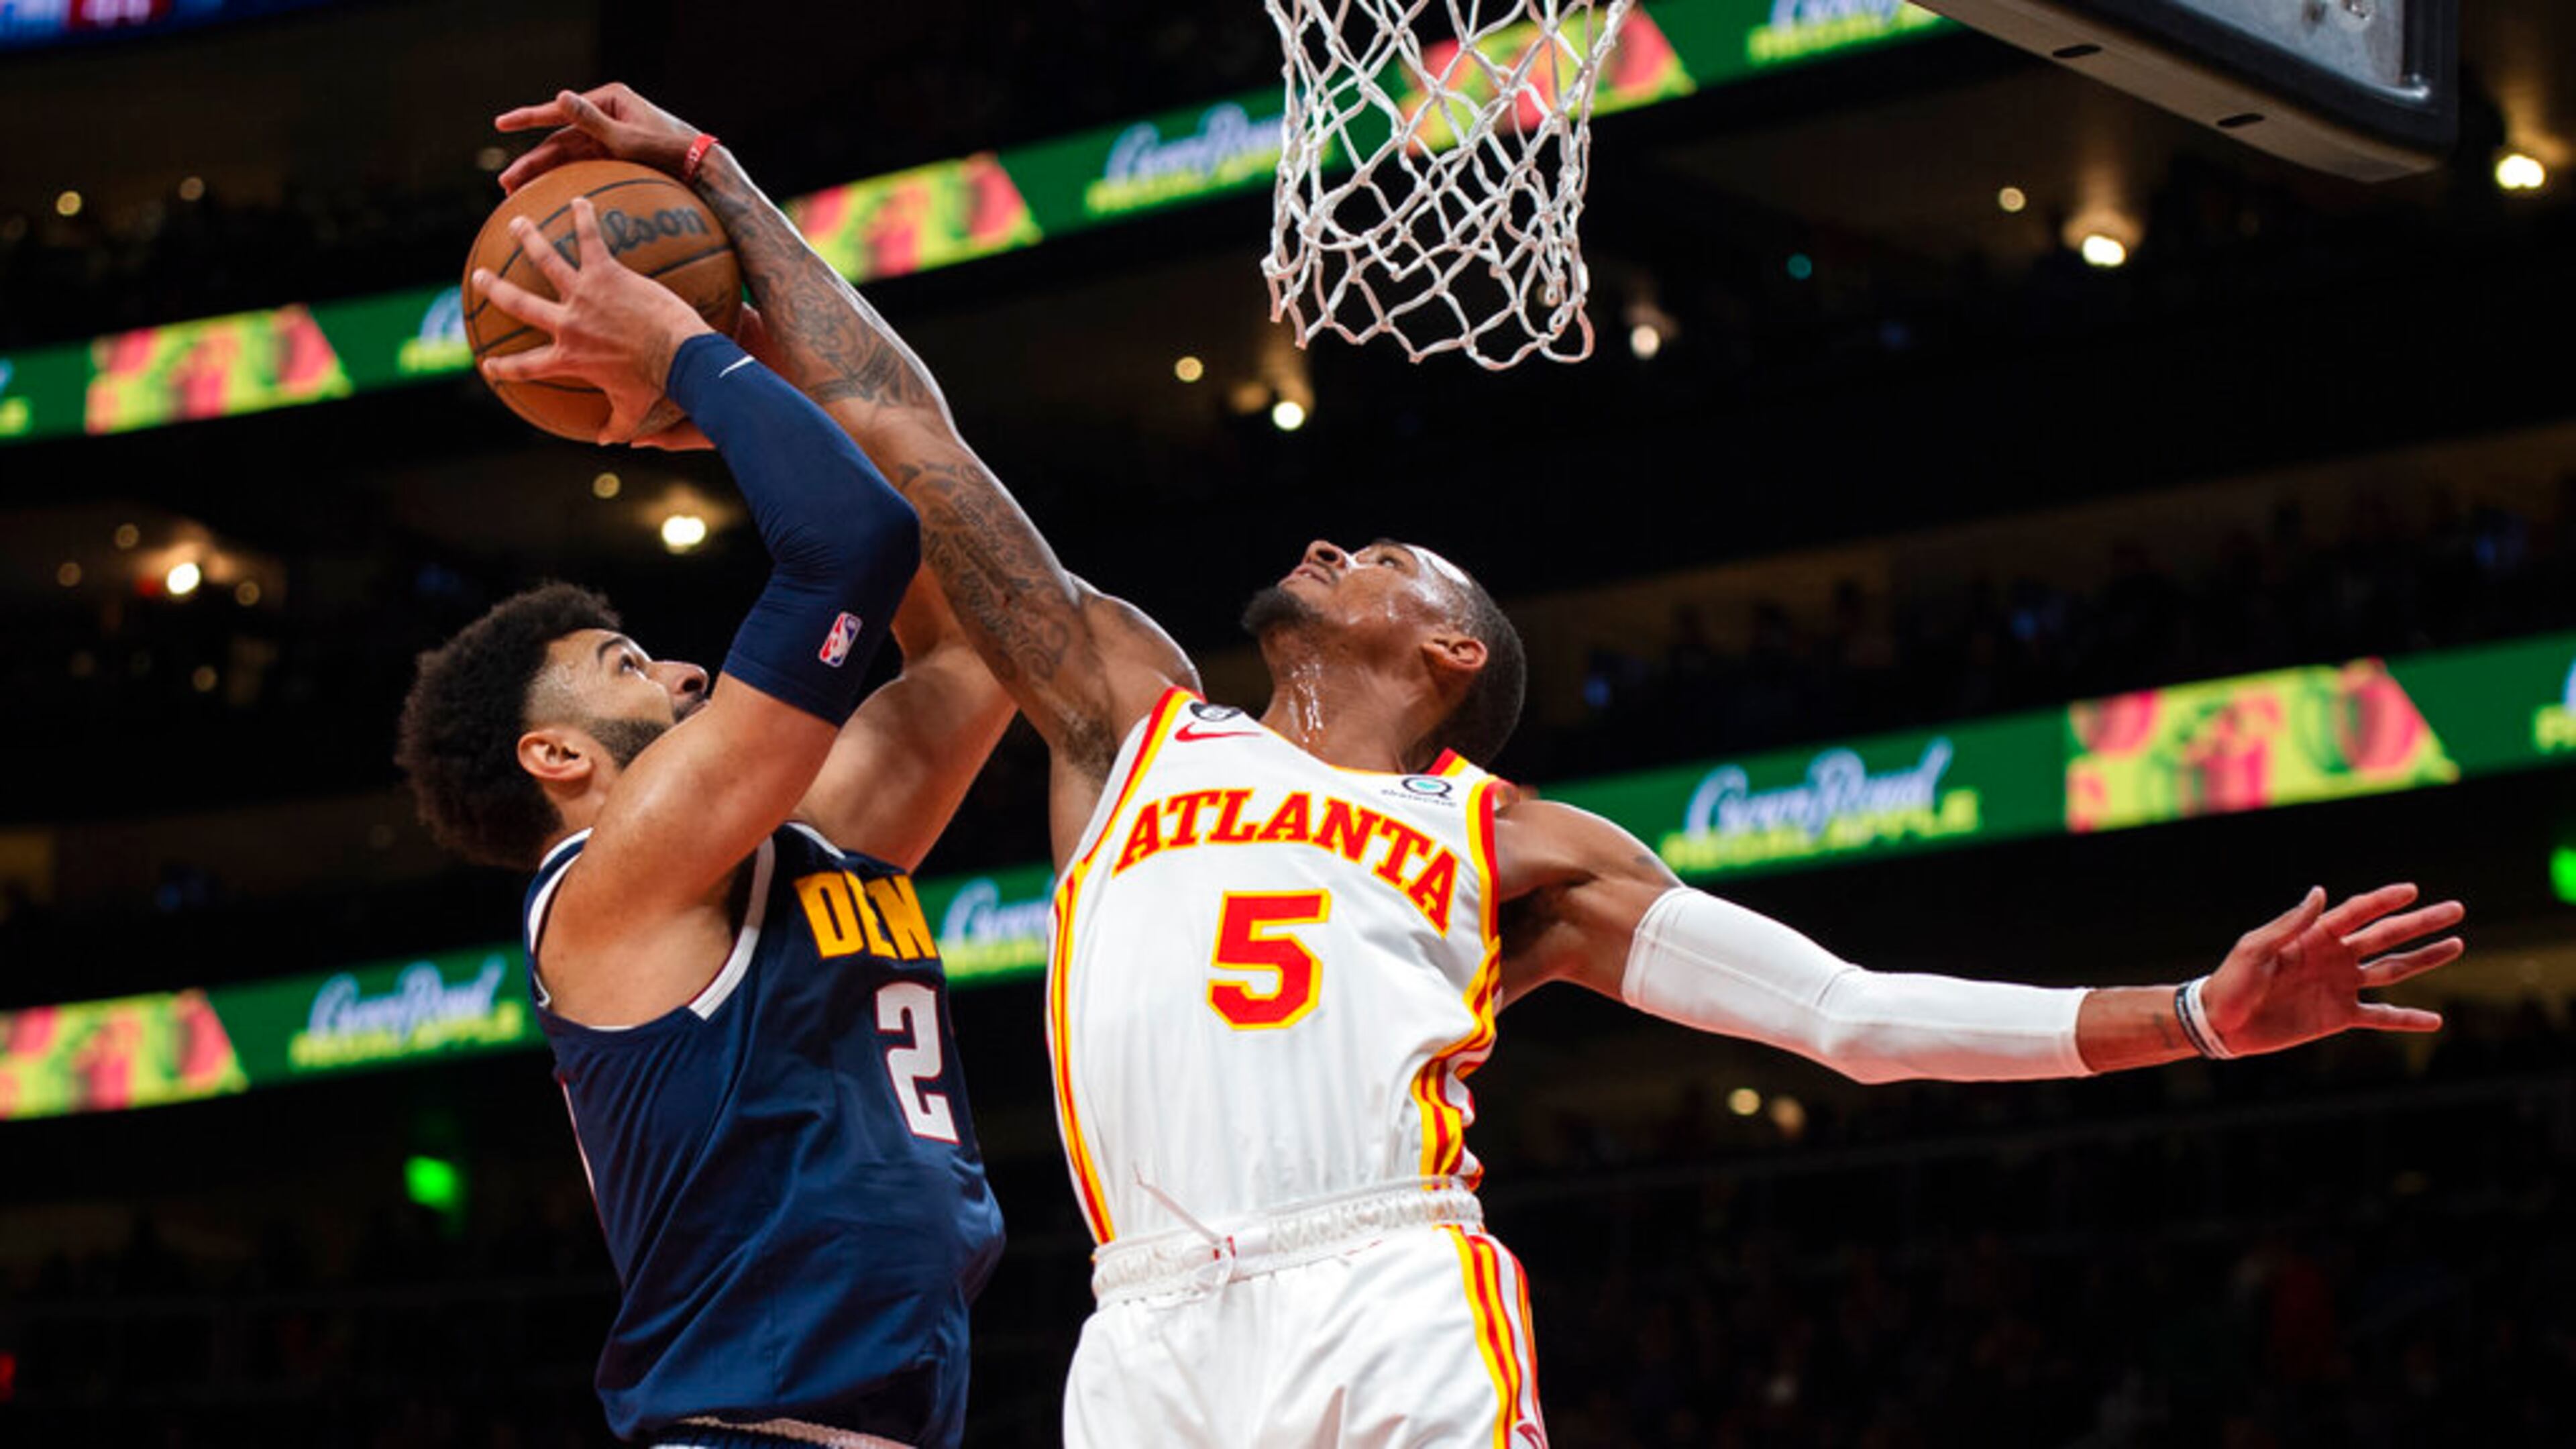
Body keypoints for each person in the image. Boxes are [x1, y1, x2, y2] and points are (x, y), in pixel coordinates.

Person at [489, 85, 2470, 1448]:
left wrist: (2194, 1018)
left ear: (1447, 652)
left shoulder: (1501, 839)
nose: (1341, 537)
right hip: (1148, 1325)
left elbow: (1857, 1020)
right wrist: (724, 189)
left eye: (1393, 561)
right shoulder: (1130, 722)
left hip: (1382, 1291)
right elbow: (913, 453)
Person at [394, 196, 1013, 1449]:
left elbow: (973, 627)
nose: (681, 672)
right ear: (557, 756)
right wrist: (690, 356)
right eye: (628, 664)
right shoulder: (610, 889)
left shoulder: (813, 833)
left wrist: (776, 329)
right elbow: (852, 547)